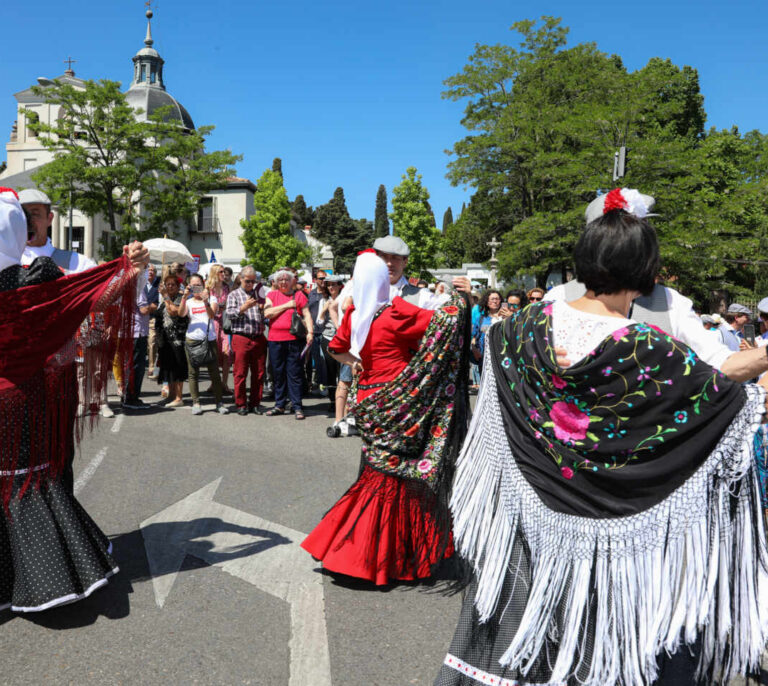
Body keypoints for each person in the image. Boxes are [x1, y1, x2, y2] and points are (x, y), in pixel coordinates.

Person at [436, 191, 768, 686]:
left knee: (528, 640)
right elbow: (727, 404)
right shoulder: (652, 350)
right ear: (645, 268)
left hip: (532, 521)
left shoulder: (517, 329)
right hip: (620, 550)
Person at [0, 187, 148, 612]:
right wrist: (126, 270)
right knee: (28, 478)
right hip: (27, 391)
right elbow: (94, 299)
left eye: (37, 214)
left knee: (40, 470)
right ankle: (45, 571)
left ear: (49, 216)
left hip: (49, 383)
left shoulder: (64, 263)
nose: (30, 222)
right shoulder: (37, 275)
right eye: (22, 216)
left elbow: (89, 305)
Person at [301, 251, 470, 584]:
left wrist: (356, 362)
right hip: (400, 401)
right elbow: (444, 326)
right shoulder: (396, 312)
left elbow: (335, 347)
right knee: (399, 480)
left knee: (379, 474)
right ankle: (382, 554)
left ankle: (374, 552)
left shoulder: (353, 313)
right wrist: (462, 299)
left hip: (367, 401)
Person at [544, 191, 768, 384]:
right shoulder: (558, 299)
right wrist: (539, 362)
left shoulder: (671, 302)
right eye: (630, 230)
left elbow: (719, 362)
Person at [263, 269, 314, 420]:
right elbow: (267, 313)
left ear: (292, 281)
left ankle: (297, 405)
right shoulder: (271, 295)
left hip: (294, 339)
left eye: (287, 279)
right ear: (276, 282)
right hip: (275, 340)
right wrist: (287, 305)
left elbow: (307, 314)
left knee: (295, 373)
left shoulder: (299, 295)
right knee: (278, 373)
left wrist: (310, 332)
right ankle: (279, 404)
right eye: (281, 280)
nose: (284, 282)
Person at [178, 274, 228, 415]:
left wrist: (205, 301)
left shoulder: (212, 299)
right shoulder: (188, 301)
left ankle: (219, 402)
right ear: (189, 286)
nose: (196, 288)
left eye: (198, 284)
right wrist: (183, 297)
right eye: (193, 285)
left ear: (204, 284)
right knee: (193, 373)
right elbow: (181, 314)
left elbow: (212, 315)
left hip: (209, 339)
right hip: (192, 340)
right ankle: (196, 403)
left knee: (214, 373)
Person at [18, 189, 97, 274]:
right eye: (20, 214)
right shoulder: (4, 262)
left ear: (49, 219)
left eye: (35, 214)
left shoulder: (79, 265)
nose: (27, 221)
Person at [226, 266, 269, 416]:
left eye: (253, 281)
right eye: (247, 281)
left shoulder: (259, 295)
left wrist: (264, 310)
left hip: (258, 337)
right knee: (240, 373)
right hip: (241, 337)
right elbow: (229, 314)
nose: (250, 284)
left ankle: (255, 403)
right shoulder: (234, 295)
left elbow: (265, 315)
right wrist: (243, 308)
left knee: (259, 373)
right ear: (241, 279)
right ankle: (241, 403)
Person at [156, 273, 188, 407]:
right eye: (167, 284)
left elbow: (173, 311)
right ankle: (171, 395)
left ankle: (179, 397)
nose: (170, 286)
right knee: (168, 367)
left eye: (172, 284)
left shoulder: (180, 298)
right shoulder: (164, 299)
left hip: (178, 338)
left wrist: (165, 296)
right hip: (165, 339)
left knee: (178, 367)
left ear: (178, 286)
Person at [206, 264, 232, 394]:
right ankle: (214, 383)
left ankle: (224, 383)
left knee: (227, 353)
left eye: (224, 272)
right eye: (221, 272)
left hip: (225, 323)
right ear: (215, 273)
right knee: (214, 355)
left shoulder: (227, 288)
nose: (224, 274)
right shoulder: (209, 289)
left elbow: (229, 305)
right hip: (213, 324)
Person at [320, 275, 344, 415]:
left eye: (334, 285)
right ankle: (332, 401)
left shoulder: (344, 298)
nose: (331, 287)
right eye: (329, 285)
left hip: (342, 338)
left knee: (342, 371)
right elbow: (319, 322)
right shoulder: (324, 300)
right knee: (330, 370)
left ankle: (342, 399)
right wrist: (324, 310)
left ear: (340, 286)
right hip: (328, 337)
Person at [470, 290, 505, 373]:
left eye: (497, 299)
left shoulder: (505, 318)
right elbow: (473, 337)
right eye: (492, 299)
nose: (495, 301)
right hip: (484, 358)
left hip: (502, 358)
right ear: (487, 302)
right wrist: (475, 350)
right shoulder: (481, 318)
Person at [145, 264, 161, 380]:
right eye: (148, 270)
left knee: (152, 341)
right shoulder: (141, 284)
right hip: (142, 317)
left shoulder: (159, 284)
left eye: (152, 270)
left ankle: (151, 367)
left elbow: (158, 303)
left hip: (153, 318)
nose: (150, 272)